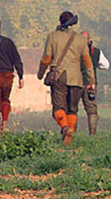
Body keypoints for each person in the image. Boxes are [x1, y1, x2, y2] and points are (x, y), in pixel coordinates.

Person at [37, 11, 95, 145]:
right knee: (72, 109)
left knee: (58, 108)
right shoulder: (81, 39)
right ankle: (69, 134)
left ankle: (65, 128)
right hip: (77, 79)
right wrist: (91, 80)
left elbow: (46, 59)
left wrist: (40, 74)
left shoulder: (52, 36)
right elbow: (87, 61)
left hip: (59, 77)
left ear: (60, 22)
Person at [79, 30, 110, 135]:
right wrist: (95, 65)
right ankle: (92, 133)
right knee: (91, 109)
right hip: (90, 83)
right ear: (89, 40)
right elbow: (106, 65)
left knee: (71, 108)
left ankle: (70, 133)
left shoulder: (73, 51)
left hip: (75, 83)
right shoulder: (96, 52)